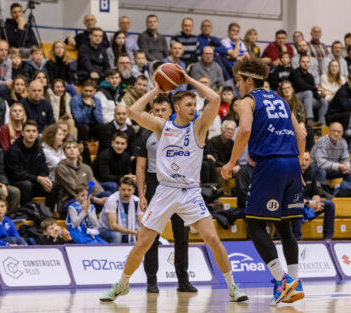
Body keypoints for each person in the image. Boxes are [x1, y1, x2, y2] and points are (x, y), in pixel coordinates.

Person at [99, 68, 248, 303]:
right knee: (143, 244)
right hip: (165, 191)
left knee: (212, 238)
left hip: (190, 193)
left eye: (194, 105)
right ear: (176, 108)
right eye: (188, 105)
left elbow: (216, 99)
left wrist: (188, 80)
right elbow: (133, 111)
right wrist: (157, 89)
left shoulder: (199, 128)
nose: (193, 109)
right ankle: (122, 285)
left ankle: (232, 286)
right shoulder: (162, 127)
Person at [221, 57, 305, 305]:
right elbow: (301, 133)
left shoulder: (247, 101)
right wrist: (299, 166)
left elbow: (244, 130)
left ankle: (282, 281)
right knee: (285, 228)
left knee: (255, 226)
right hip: (291, 164)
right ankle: (295, 281)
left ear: (248, 80)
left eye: (239, 81)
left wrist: (230, 162)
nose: (237, 85)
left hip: (270, 165)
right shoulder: (280, 99)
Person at [134, 95, 196, 293]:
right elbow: (140, 168)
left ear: (171, 111)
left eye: (163, 110)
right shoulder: (145, 135)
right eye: (156, 111)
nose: (159, 114)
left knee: (182, 236)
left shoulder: (183, 132)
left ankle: (183, 281)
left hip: (179, 184)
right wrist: (142, 195)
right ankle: (152, 281)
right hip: (154, 184)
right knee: (151, 235)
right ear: (152, 113)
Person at [6, 120, 58, 209]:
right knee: (26, 185)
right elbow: (16, 173)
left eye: (34, 131)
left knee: (53, 185)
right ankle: (26, 213)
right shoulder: (14, 150)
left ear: (37, 133)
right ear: (22, 133)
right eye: (28, 131)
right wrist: (37, 178)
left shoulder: (38, 148)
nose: (31, 134)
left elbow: (43, 168)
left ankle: (49, 214)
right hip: (16, 182)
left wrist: (44, 180)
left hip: (33, 181)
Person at [55, 141, 109, 215]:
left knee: (107, 195)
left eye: (74, 147)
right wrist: (97, 200)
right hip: (70, 200)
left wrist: (102, 199)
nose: (72, 149)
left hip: (88, 198)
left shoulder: (86, 167)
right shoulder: (60, 168)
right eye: (68, 148)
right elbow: (75, 189)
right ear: (64, 153)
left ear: (78, 152)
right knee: (80, 202)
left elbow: (94, 185)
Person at [299, 151, 335, 240]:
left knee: (329, 205)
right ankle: (297, 239)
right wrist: (307, 203)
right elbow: (290, 198)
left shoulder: (311, 174)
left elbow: (315, 192)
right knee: (295, 208)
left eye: (306, 160)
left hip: (309, 207)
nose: (303, 162)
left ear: (310, 161)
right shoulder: (291, 173)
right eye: (302, 159)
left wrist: (316, 202)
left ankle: (328, 238)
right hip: (295, 206)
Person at [97, 176, 142, 244]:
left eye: (129, 190)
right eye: (123, 190)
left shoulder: (137, 201)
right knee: (117, 235)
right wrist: (133, 232)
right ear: (119, 189)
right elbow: (113, 226)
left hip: (127, 229)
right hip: (104, 229)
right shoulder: (112, 200)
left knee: (143, 234)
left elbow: (141, 223)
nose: (126, 192)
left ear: (133, 190)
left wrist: (140, 232)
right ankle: (114, 254)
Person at [289, 55, 328, 126]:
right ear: (299, 63)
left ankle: (323, 125)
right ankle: (310, 120)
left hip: (307, 100)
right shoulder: (295, 72)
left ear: (310, 64)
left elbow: (314, 92)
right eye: (303, 62)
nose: (305, 64)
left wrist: (320, 95)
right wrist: (317, 88)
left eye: (307, 62)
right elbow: (302, 86)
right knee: (308, 92)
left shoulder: (310, 76)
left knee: (324, 101)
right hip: (295, 98)